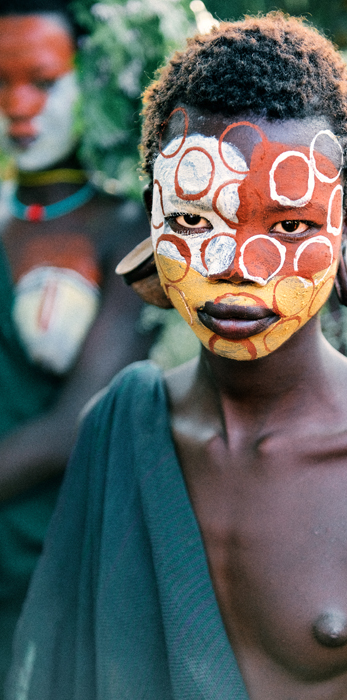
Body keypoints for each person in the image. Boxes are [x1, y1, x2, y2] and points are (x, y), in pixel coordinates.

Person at [8, 14, 347, 700]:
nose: (238, 265)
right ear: (154, 216)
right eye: (194, 220)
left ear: (346, 224)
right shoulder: (120, 430)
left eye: (291, 225)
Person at [0, 1, 152, 692]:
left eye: (42, 81)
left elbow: (78, 423)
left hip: (50, 563)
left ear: (93, 79)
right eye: (0, 83)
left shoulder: (125, 229)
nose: (18, 107)